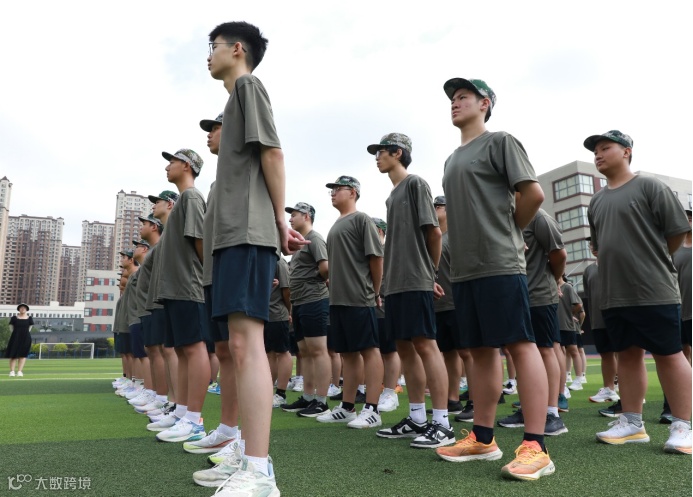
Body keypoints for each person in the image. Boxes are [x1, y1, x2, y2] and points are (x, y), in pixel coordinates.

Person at [436, 78, 554, 481]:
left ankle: (536, 446)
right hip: (465, 269)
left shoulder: (500, 141)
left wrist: (510, 232)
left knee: (520, 344)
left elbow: (533, 194)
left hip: (500, 262)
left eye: (463, 97)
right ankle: (483, 438)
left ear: (485, 103)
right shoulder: (451, 159)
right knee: (480, 351)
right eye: (452, 99)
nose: (455, 103)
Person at [206, 20, 306, 495]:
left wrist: (279, 221)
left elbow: (273, 154)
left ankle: (259, 471)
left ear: (237, 50)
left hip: (248, 231)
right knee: (239, 346)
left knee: (247, 347)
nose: (208, 55)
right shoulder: (235, 99)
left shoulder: (248, 86)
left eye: (213, 46)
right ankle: (247, 453)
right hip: (235, 234)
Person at [585, 130, 691, 454]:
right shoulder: (596, 201)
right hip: (614, 293)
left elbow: (677, 232)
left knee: (669, 354)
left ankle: (683, 426)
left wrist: (651, 259)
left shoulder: (649, 186)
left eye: (605, 147)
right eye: (595, 150)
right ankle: (632, 424)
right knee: (628, 356)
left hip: (653, 289)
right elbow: (599, 246)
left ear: (626, 152)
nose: (598, 154)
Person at [370, 133, 454, 449]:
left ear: (397, 152)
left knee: (425, 345)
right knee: (404, 348)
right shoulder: (392, 196)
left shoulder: (415, 183)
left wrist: (429, 273)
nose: (377, 157)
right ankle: (417, 417)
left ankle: (442, 423)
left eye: (381, 152)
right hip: (395, 283)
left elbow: (434, 232)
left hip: (415, 279)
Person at [317, 176, 385, 429]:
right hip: (338, 299)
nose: (333, 193)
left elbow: (376, 258)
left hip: (359, 296)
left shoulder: (361, 219)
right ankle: (347, 407)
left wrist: (374, 291)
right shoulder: (336, 223)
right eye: (332, 189)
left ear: (353, 192)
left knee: (369, 350)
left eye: (338, 189)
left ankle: (373, 408)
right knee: (347, 353)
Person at [153, 148, 210, 445]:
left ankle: (194, 420)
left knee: (194, 349)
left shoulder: (191, 198)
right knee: (183, 350)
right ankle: (183, 413)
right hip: (176, 287)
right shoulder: (183, 201)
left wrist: (206, 280)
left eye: (172, 162)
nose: (167, 167)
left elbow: (200, 242)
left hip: (189, 285)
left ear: (187, 165)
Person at [498, 208, 568, 436]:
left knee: (545, 350)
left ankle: (552, 413)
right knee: (521, 352)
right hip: (516, 296)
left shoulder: (539, 218)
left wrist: (554, 280)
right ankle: (529, 409)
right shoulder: (506, 214)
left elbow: (559, 254)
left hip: (540, 295)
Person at [282, 202, 331, 418]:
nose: (290, 219)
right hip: (300, 302)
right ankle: (308, 397)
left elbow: (325, 268)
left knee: (318, 351)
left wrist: (314, 280)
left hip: (314, 300)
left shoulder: (315, 238)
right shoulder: (300, 243)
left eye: (294, 215)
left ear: (307, 216)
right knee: (305, 352)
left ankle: (321, 401)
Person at [431, 196, 465, 416]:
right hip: (439, 305)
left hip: (458, 303)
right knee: (449, 353)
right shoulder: (433, 238)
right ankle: (453, 398)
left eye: (439, 206)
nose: (434, 209)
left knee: (467, 353)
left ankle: (475, 401)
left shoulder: (458, 236)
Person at [583, 239, 620, 406]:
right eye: (591, 244)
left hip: (618, 316)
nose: (593, 247)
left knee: (625, 354)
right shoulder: (588, 270)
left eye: (596, 242)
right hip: (598, 319)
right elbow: (589, 295)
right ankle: (609, 389)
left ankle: (631, 391)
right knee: (605, 354)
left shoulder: (616, 263)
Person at [371, 218, 402, 413]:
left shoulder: (388, 251)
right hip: (370, 306)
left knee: (389, 351)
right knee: (376, 351)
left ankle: (390, 392)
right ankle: (382, 390)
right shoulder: (371, 251)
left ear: (381, 232)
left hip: (385, 305)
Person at [7, 304, 33, 377]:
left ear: (26, 309)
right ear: (19, 309)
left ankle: (19, 371)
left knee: (23, 355)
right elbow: (11, 328)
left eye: (24, 308)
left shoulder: (29, 318)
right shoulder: (14, 318)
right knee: (13, 355)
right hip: (15, 337)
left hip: (26, 338)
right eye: (21, 308)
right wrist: (16, 334)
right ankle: (12, 371)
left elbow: (29, 328)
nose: (23, 309)